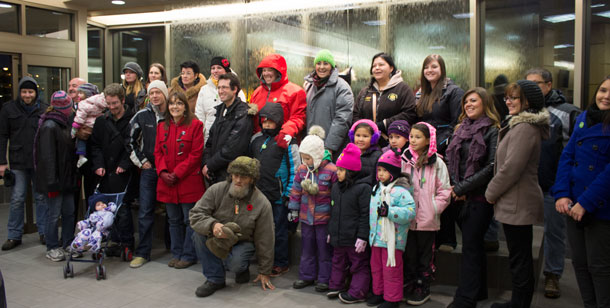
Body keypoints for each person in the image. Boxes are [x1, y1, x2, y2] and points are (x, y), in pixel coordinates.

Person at [485, 80, 550, 308]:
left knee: (520, 260)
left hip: (518, 201)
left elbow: (511, 168)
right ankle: (517, 302)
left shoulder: (524, 128)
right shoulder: (519, 125)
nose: (508, 102)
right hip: (515, 200)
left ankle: (519, 304)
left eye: (514, 98)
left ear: (527, 102)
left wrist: (490, 192)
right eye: (507, 98)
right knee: (518, 257)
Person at [553, 76, 610, 308]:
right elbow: (568, 156)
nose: (605, 96)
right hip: (573, 205)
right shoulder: (585, 117)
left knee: (600, 267)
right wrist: (562, 193)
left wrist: (585, 202)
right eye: (603, 90)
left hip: (600, 208)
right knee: (579, 263)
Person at [525, 67, 581, 298]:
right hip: (526, 183)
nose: (530, 89)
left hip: (554, 184)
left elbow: (576, 151)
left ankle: (552, 274)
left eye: (536, 84)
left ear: (548, 85)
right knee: (520, 231)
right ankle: (524, 275)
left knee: (555, 232)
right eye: (526, 84)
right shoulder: (523, 109)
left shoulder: (568, 112)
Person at [445, 88, 500, 308]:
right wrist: (454, 186)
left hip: (479, 198)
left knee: (470, 246)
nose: (468, 104)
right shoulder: (460, 128)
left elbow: (492, 166)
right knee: (474, 245)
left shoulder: (493, 129)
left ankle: (465, 299)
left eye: (473, 101)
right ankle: (479, 292)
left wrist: (463, 187)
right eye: (466, 101)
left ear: (485, 103)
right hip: (458, 196)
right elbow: (451, 159)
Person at [190, 156, 275, 297]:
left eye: (244, 177)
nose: (238, 180)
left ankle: (242, 269)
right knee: (198, 235)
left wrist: (264, 271)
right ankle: (214, 279)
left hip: (243, 242)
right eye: (235, 175)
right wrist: (213, 225)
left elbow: (266, 238)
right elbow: (195, 214)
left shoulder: (261, 202)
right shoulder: (216, 190)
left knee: (236, 263)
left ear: (252, 179)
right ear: (231, 175)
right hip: (216, 235)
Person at [415, 54, 465, 253]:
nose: (429, 70)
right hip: (423, 148)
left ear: (442, 69)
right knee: (426, 192)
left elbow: (457, 123)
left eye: (434, 67)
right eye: (426, 67)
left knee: (444, 194)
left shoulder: (454, 92)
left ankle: (448, 239)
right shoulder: (421, 93)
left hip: (445, 148)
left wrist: (441, 146)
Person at [401, 122, 451, 306]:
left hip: (427, 220)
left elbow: (444, 191)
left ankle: (423, 285)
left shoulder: (437, 163)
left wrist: (433, 209)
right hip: (408, 218)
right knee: (409, 253)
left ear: (429, 140)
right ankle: (410, 283)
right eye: (411, 136)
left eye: (418, 137)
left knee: (425, 255)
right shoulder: (405, 159)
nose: (413, 140)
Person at [154, 90, 204, 269]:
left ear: (185, 106)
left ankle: (189, 255)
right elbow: (157, 152)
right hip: (167, 182)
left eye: (179, 103)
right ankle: (176, 253)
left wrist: (177, 173)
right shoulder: (162, 126)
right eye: (172, 103)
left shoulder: (196, 125)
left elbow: (196, 154)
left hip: (187, 181)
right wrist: (163, 172)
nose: (175, 107)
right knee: (173, 220)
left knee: (189, 220)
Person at [249, 102, 299, 276]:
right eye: (264, 121)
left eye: (271, 121)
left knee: (279, 230)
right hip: (259, 194)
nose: (267, 124)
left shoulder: (287, 140)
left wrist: (289, 194)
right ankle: (263, 259)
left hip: (279, 196)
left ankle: (281, 262)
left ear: (278, 121)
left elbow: (295, 168)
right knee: (260, 229)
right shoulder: (256, 139)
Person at [0, 76, 48, 250]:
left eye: (30, 92)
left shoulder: (44, 109)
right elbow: (2, 136)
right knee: (17, 198)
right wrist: (2, 162)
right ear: (19, 92)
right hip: (17, 161)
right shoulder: (8, 109)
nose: (27, 95)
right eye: (24, 91)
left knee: (41, 198)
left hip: (38, 162)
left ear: (36, 93)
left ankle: (44, 232)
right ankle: (14, 235)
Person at [89, 83, 136, 259]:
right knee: (107, 209)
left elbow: (134, 145)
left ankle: (127, 243)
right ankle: (113, 241)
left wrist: (125, 164)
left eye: (115, 103)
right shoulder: (102, 121)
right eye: (109, 103)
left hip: (123, 172)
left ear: (122, 100)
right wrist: (98, 164)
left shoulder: (132, 119)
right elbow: (95, 146)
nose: (112, 107)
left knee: (123, 209)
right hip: (105, 172)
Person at [288, 126, 337, 292]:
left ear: (316, 155)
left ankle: (324, 278)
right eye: (303, 158)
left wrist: (335, 214)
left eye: (308, 158)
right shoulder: (302, 170)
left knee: (324, 249)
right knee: (307, 248)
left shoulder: (331, 170)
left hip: (324, 218)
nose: (305, 162)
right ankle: (306, 275)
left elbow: (336, 195)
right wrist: (293, 209)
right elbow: (295, 190)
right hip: (306, 217)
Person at [367, 149, 416, 308]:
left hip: (392, 240)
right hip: (376, 237)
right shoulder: (377, 189)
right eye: (379, 170)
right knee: (376, 268)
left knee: (391, 270)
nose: (380, 174)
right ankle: (378, 293)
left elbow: (410, 212)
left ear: (393, 173)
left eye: (384, 171)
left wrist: (390, 212)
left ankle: (392, 299)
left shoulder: (401, 191)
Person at [33, 91, 78, 261]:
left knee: (69, 212)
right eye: (68, 107)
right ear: (63, 109)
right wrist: (51, 183)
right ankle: (52, 246)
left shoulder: (64, 124)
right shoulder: (50, 126)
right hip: (55, 181)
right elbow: (48, 158)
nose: (71, 110)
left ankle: (67, 242)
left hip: (66, 178)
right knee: (53, 214)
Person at [128, 80, 168, 268]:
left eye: (157, 92)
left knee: (172, 212)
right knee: (145, 211)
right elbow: (129, 141)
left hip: (170, 171)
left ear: (164, 94)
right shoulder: (141, 116)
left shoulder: (173, 113)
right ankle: (143, 252)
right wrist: (142, 161)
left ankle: (175, 250)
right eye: (151, 93)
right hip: (150, 171)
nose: (154, 96)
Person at [327, 143, 371, 302]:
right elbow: (333, 211)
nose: (337, 173)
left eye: (341, 170)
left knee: (358, 265)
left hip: (354, 238)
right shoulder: (336, 188)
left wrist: (362, 236)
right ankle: (336, 285)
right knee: (338, 261)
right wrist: (331, 232)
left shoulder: (363, 189)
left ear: (351, 171)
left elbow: (365, 215)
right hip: (339, 235)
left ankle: (357, 292)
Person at [352, 52, 417, 148]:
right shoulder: (365, 91)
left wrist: (383, 124)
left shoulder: (402, 88)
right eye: (374, 66)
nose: (377, 68)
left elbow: (410, 113)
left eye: (381, 65)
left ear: (391, 68)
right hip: (367, 145)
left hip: (393, 144)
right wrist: (365, 130)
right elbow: (356, 114)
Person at [202, 73, 253, 185]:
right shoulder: (221, 111)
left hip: (232, 176)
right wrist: (206, 164)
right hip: (215, 174)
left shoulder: (243, 114)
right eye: (219, 87)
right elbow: (210, 142)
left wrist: (210, 165)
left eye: (224, 87)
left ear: (234, 89)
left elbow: (232, 149)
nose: (220, 91)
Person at [304, 49, 354, 158]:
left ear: (332, 66)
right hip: (311, 146)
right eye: (318, 63)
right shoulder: (310, 86)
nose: (321, 67)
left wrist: (329, 147)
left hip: (331, 149)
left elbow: (342, 119)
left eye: (325, 63)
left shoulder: (342, 87)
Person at [251, 53, 307, 149]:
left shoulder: (295, 92)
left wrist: (287, 131)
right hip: (259, 145)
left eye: (270, 70)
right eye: (264, 70)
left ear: (278, 71)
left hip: (283, 145)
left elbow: (299, 117)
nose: (266, 73)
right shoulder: (257, 92)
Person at [195, 57, 247, 144]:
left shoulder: (236, 89)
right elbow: (199, 115)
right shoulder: (204, 89)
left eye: (219, 68)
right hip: (207, 138)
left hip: (228, 137)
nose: (215, 71)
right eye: (213, 68)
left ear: (226, 70)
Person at [71, 85, 104, 168]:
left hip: (86, 127)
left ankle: (81, 156)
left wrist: (75, 127)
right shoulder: (100, 103)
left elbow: (80, 117)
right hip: (95, 127)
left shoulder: (83, 104)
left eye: (80, 93)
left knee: (81, 141)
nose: (78, 95)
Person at [348, 119, 382, 184]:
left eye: (365, 136)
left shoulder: (378, 157)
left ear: (373, 138)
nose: (360, 139)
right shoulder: (348, 153)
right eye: (358, 135)